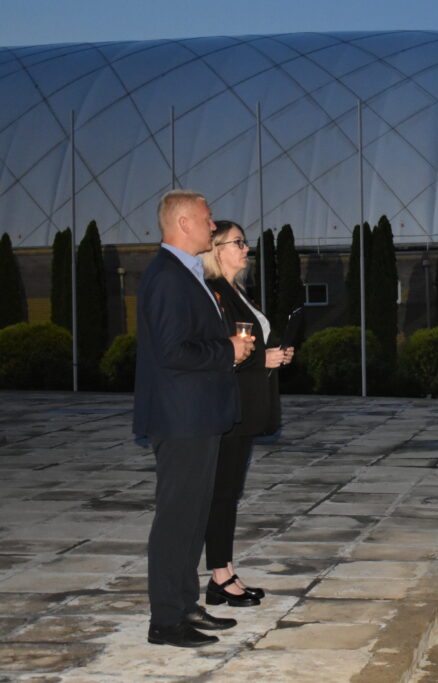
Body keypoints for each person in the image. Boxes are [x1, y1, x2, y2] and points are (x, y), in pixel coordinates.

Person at [133, 190, 254, 648]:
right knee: (176, 520)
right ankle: (165, 621)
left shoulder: (186, 272)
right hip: (180, 418)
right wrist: (227, 350)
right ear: (183, 223)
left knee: (192, 516)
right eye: (206, 219)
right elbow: (171, 351)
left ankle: (184, 605)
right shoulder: (168, 276)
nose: (212, 225)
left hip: (197, 416)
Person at [201, 221, 294, 608]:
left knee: (228, 493)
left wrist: (275, 353)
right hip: (228, 405)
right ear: (216, 250)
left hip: (245, 404)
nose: (245, 249)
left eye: (244, 242)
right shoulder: (213, 292)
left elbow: (248, 344)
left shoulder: (236, 291)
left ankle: (224, 571)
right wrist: (260, 360)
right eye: (237, 242)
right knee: (221, 494)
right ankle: (220, 576)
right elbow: (219, 350)